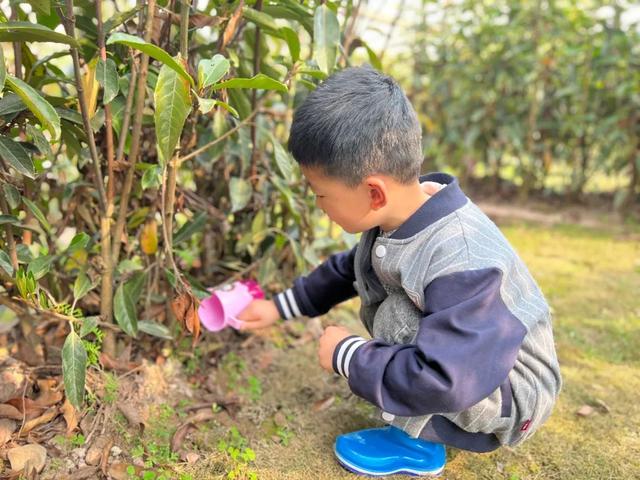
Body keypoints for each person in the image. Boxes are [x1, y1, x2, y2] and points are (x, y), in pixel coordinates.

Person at [236, 65, 562, 477]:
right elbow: (349, 269)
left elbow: (447, 376)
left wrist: (347, 357)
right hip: (472, 358)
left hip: (509, 390)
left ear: (374, 192)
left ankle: (417, 444)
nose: (319, 204)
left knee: (397, 317)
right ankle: (412, 410)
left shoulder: (458, 258)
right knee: (389, 297)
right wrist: (279, 308)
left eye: (321, 194)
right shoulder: (404, 210)